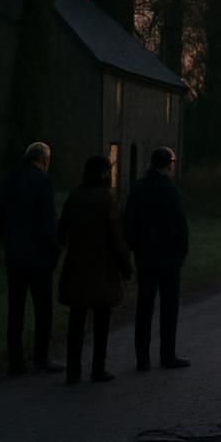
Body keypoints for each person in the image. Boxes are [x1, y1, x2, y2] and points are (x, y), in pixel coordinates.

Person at [57, 156, 133, 383]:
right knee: (101, 322)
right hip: (103, 268)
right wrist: (125, 265)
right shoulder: (105, 200)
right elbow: (116, 237)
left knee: (76, 322)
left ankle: (73, 371)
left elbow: (62, 230)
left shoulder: (75, 196)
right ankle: (97, 368)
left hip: (77, 266)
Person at [0, 142, 60, 375]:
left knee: (16, 308)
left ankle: (16, 360)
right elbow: (47, 221)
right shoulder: (43, 182)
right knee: (43, 309)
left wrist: (8, 240)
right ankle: (41, 357)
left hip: (15, 254)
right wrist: (53, 250)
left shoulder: (9, 179)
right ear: (43, 159)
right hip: (39, 255)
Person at [125, 147, 190, 370]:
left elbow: (130, 222)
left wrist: (135, 248)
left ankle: (142, 358)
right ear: (168, 165)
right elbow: (181, 225)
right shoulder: (170, 190)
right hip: (169, 258)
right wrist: (182, 251)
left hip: (145, 256)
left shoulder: (138, 188)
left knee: (144, 307)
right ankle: (167, 355)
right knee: (168, 308)